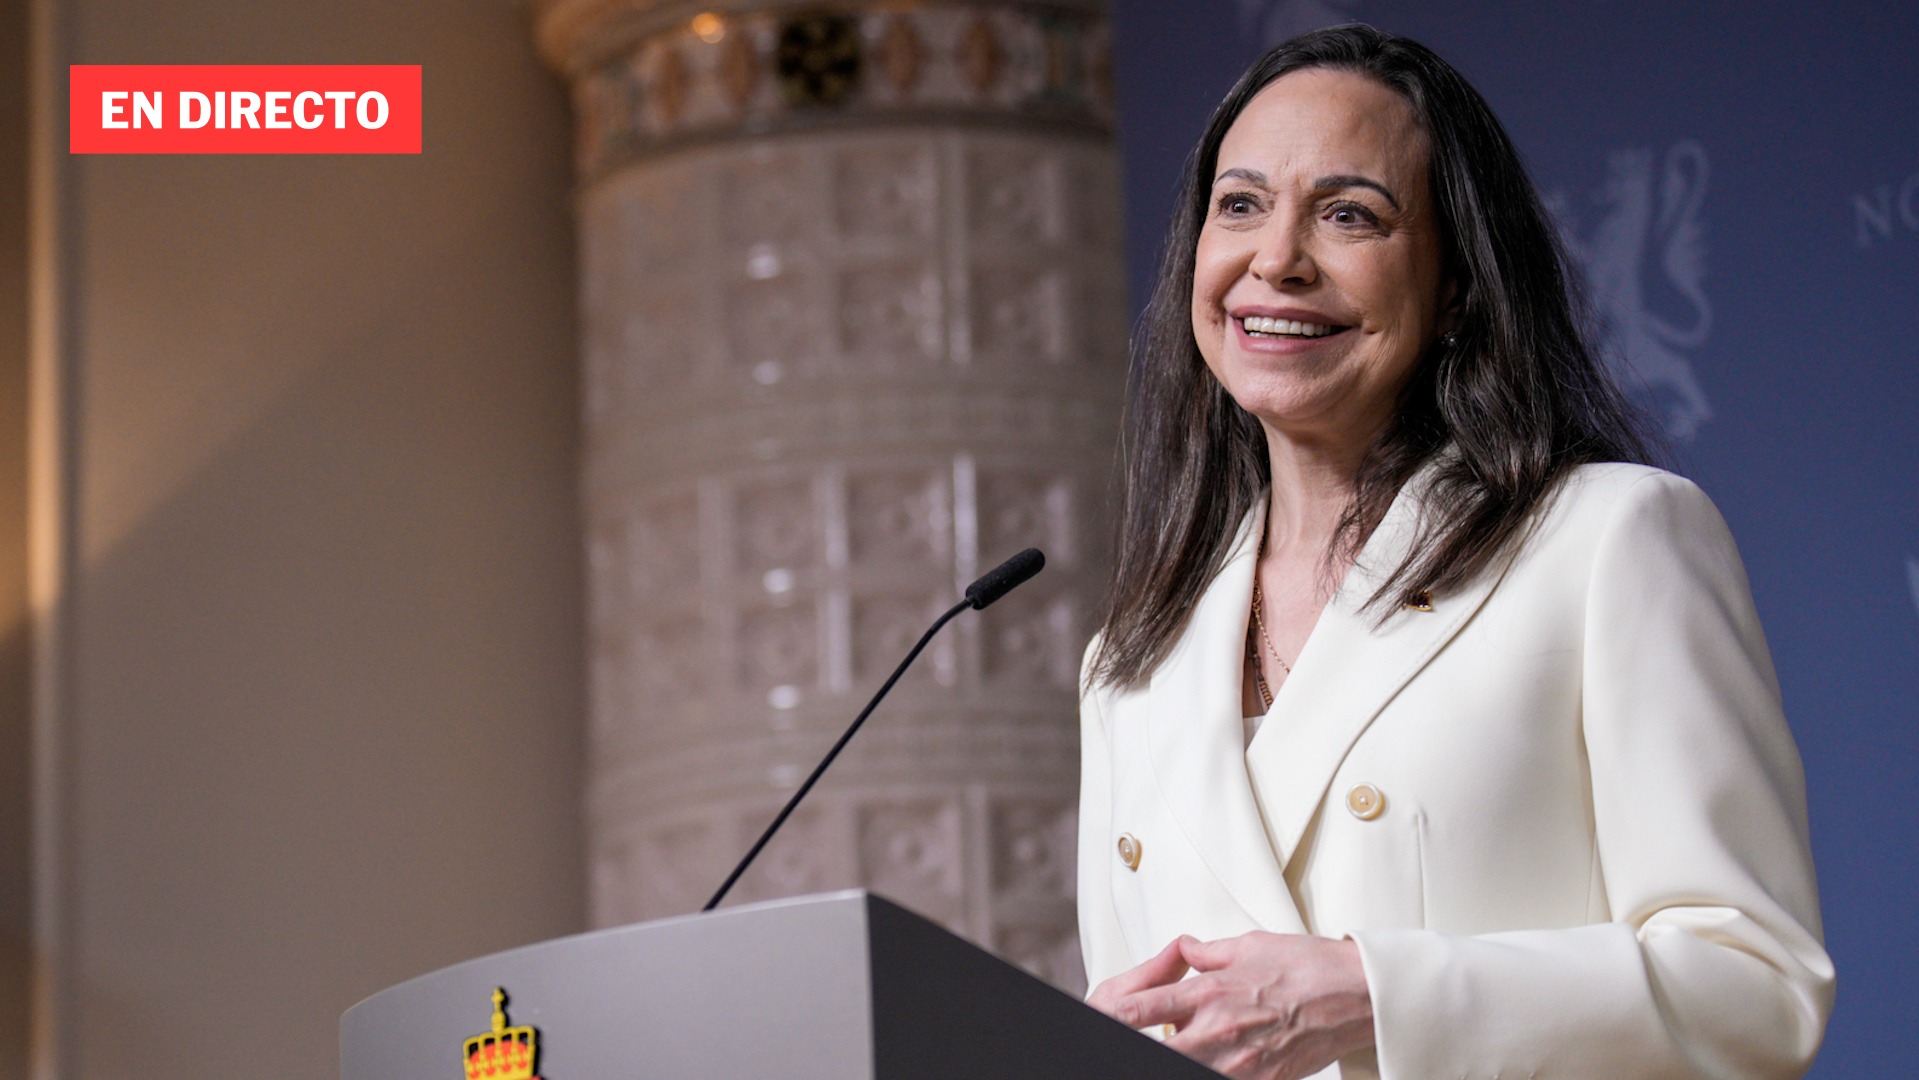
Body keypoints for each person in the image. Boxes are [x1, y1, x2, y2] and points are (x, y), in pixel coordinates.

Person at [1075, 25, 1833, 1080]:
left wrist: (1377, 995)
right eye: (1238, 205)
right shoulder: (1131, 662)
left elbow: (1755, 988)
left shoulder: (1610, 539)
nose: (1276, 260)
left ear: (1455, 290)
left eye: (1349, 215)